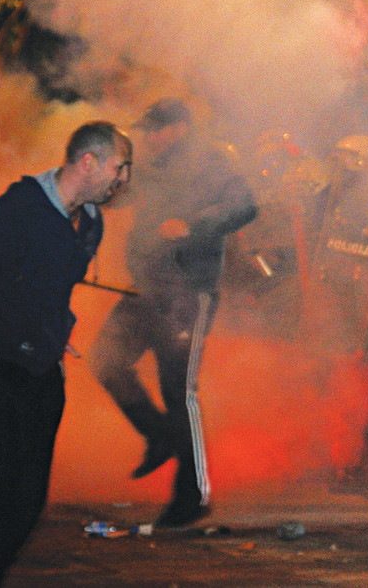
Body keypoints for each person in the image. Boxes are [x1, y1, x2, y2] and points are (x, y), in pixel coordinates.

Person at [0, 121, 131, 587]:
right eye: (119, 168)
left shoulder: (91, 224)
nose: (123, 180)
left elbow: (50, 287)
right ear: (88, 162)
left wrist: (49, 330)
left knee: (25, 503)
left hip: (40, 370)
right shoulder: (16, 211)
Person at [89, 98, 257, 528]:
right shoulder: (148, 166)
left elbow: (244, 205)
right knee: (105, 359)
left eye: (156, 129)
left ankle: (193, 494)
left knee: (178, 389)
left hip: (188, 292)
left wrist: (193, 223)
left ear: (180, 127)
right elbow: (117, 198)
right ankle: (158, 434)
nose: (149, 137)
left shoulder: (212, 162)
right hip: (146, 287)